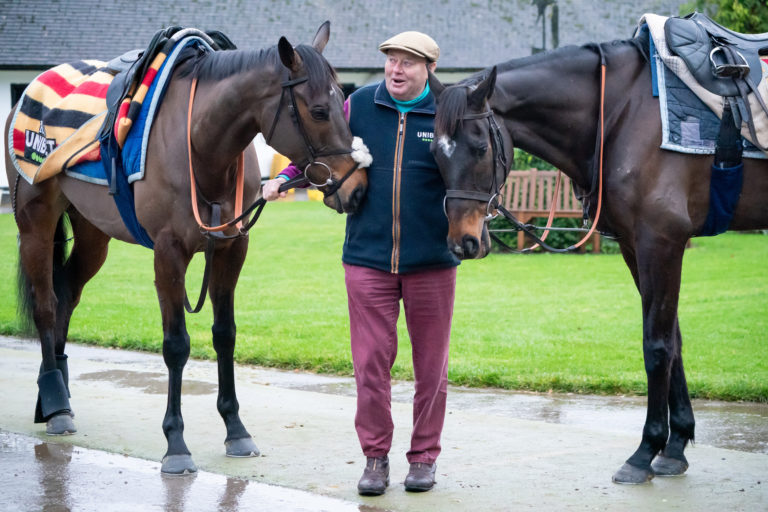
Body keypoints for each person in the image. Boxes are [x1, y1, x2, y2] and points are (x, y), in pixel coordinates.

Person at [263, 31, 459, 496]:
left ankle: (424, 458)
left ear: (428, 68)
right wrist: (285, 178)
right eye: (391, 60)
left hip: (432, 260)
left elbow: (476, 163)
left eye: (407, 63)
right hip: (367, 258)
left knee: (431, 368)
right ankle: (375, 458)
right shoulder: (361, 103)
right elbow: (321, 145)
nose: (395, 69)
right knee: (370, 365)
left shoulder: (449, 111)